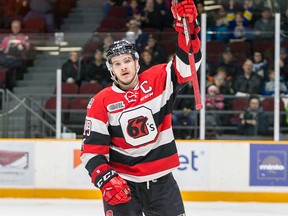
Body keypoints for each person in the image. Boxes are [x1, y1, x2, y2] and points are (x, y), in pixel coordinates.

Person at [80, 0, 202, 215]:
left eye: (127, 60)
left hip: (162, 181)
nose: (123, 66)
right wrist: (104, 179)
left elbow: (187, 67)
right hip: (123, 182)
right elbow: (91, 152)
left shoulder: (158, 79)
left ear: (136, 63)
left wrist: (189, 31)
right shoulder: (101, 101)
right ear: (112, 71)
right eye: (117, 64)